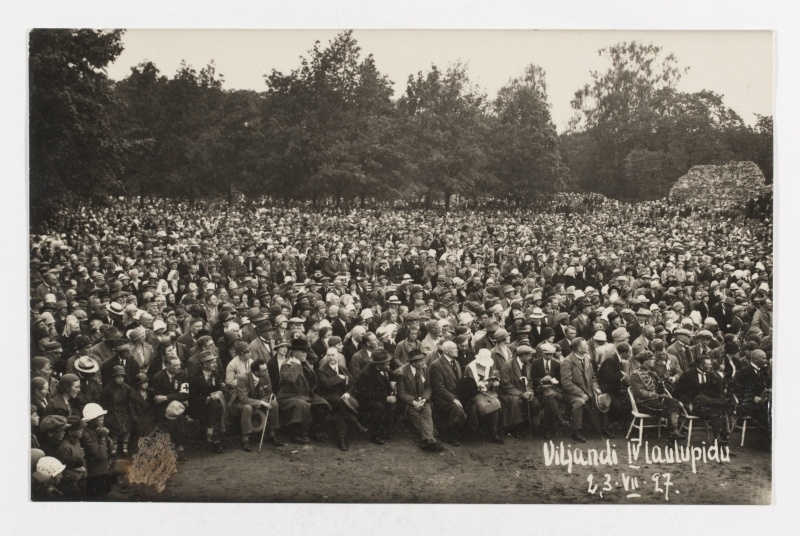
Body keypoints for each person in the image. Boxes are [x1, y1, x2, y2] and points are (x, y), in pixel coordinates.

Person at [278, 338, 331, 444]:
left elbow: (314, 357)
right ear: (293, 352)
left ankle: (315, 431)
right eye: (302, 351)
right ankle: (297, 434)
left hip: (305, 394)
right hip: (289, 396)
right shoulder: (287, 364)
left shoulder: (303, 360)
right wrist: (296, 363)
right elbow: (291, 379)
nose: (305, 354)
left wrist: (305, 348)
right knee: (302, 405)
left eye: (306, 351)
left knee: (322, 403)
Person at [560, 337, 610, 442]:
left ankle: (603, 427)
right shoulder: (567, 361)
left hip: (588, 391)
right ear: (579, 348)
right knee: (579, 402)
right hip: (572, 393)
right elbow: (566, 383)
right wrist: (581, 393)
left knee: (601, 399)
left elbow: (593, 378)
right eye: (585, 345)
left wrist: (596, 388)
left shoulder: (587, 359)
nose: (588, 347)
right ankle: (576, 431)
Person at [629, 351, 686, 441]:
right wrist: (658, 396)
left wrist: (658, 379)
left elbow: (661, 391)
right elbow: (640, 392)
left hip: (655, 400)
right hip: (644, 402)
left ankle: (673, 431)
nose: (654, 361)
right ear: (644, 362)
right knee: (668, 408)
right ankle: (672, 435)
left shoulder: (652, 373)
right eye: (651, 360)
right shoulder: (635, 375)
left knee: (674, 402)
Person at [344, 348, 396, 445]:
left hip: (379, 396)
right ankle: (375, 435)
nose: (389, 364)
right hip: (367, 401)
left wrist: (396, 373)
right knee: (379, 407)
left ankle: (386, 430)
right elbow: (367, 393)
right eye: (386, 362)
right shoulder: (366, 374)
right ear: (378, 364)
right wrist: (386, 398)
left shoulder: (383, 368)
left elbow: (390, 373)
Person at [316, 351, 366, 451]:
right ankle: (356, 423)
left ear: (338, 356)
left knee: (340, 412)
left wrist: (348, 393)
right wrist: (338, 377)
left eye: (333, 355)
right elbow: (326, 384)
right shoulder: (322, 370)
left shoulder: (343, 369)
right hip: (328, 397)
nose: (330, 357)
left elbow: (352, 384)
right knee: (340, 401)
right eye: (328, 355)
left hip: (342, 398)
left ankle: (342, 440)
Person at [231, 359, 285, 452]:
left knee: (274, 403)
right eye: (264, 370)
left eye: (266, 369)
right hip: (242, 403)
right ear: (256, 372)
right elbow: (243, 398)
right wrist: (260, 403)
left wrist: (262, 401)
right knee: (247, 408)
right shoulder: (243, 378)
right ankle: (245, 440)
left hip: (259, 400)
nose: (267, 372)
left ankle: (272, 434)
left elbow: (269, 393)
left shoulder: (266, 376)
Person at [395, 349, 443, 452]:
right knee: (417, 417)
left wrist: (424, 399)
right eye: (421, 361)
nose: (424, 363)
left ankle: (427, 440)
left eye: (423, 360)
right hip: (409, 402)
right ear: (413, 362)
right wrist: (414, 402)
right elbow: (401, 393)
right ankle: (431, 438)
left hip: (423, 399)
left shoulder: (425, 369)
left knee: (427, 413)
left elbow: (429, 387)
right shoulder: (402, 371)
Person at [429, 339, 468, 446]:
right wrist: (453, 399)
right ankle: (451, 436)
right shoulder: (436, 365)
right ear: (446, 352)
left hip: (456, 396)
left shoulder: (456, 362)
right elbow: (439, 388)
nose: (457, 350)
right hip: (442, 398)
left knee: (472, 406)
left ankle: (465, 432)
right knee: (457, 409)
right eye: (454, 349)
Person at [188, 350, 228, 453]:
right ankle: (216, 441)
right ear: (204, 364)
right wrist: (208, 398)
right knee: (215, 407)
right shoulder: (194, 378)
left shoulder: (216, 373)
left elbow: (222, 388)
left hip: (213, 405)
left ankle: (213, 436)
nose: (215, 364)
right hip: (199, 406)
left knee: (215, 406)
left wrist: (219, 392)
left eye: (215, 362)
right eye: (212, 362)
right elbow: (193, 398)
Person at [150, 355, 190, 459]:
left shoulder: (183, 375)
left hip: (179, 404)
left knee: (179, 417)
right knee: (167, 419)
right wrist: (166, 400)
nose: (179, 367)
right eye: (175, 365)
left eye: (179, 364)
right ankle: (168, 448)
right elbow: (158, 398)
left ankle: (179, 447)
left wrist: (166, 397)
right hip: (162, 406)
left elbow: (185, 395)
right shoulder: (157, 377)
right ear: (167, 366)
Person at [463, 348, 504, 444]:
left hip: (487, 391)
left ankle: (494, 432)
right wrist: (477, 385)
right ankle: (486, 430)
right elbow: (467, 386)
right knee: (483, 406)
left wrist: (493, 383)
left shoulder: (489, 366)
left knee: (497, 402)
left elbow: (489, 379)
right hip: (474, 393)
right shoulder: (470, 368)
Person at [499, 344, 540, 439]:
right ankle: (515, 427)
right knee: (517, 402)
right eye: (529, 355)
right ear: (523, 356)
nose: (531, 357)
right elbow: (506, 385)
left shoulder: (528, 365)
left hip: (524, 392)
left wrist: (529, 391)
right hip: (510, 393)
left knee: (535, 403)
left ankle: (531, 424)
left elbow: (530, 381)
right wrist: (521, 394)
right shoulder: (508, 366)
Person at [733, 349, 771, 449]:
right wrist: (752, 397)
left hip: (764, 402)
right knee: (769, 411)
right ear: (756, 359)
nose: (766, 360)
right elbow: (736, 390)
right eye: (764, 358)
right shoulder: (743, 372)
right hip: (748, 404)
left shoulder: (764, 370)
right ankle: (770, 442)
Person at [530, 343, 569, 440]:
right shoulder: (536, 363)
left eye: (551, 354)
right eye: (547, 354)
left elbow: (559, 380)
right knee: (550, 398)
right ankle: (557, 418)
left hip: (553, 389)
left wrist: (553, 380)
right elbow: (532, 378)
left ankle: (549, 429)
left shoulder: (556, 364)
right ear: (542, 353)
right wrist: (541, 379)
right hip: (540, 389)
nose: (549, 356)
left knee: (549, 399)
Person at [80, 402, 112, 498]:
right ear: (93, 419)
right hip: (95, 474)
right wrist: (102, 438)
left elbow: (110, 448)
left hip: (104, 470)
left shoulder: (97, 429)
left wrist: (106, 438)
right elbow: (99, 454)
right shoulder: (85, 434)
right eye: (100, 416)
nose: (103, 418)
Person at [99, 366, 132, 456]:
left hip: (125, 413)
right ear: (113, 378)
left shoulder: (127, 389)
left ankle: (125, 447)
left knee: (126, 429)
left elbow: (130, 402)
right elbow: (104, 404)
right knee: (114, 430)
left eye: (122, 377)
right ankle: (114, 447)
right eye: (118, 377)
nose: (120, 379)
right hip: (112, 413)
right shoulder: (107, 390)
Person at [128, 373, 157, 453]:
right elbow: (132, 408)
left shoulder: (151, 392)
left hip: (149, 416)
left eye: (147, 382)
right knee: (140, 432)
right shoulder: (133, 394)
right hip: (139, 417)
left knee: (151, 431)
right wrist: (135, 418)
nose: (146, 384)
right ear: (138, 384)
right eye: (143, 383)